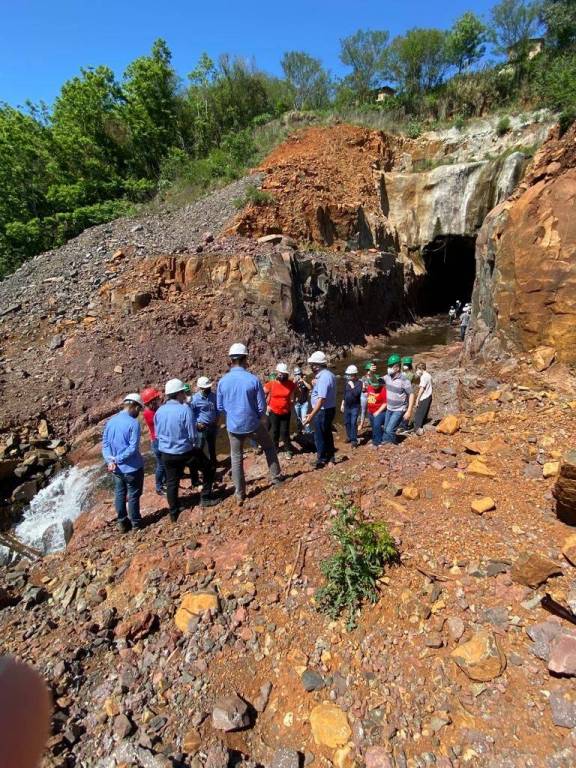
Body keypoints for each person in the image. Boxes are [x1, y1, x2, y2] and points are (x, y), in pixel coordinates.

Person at [217, 343, 282, 506]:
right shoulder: (253, 379)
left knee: (236, 458)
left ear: (231, 360)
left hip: (233, 426)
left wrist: (232, 414)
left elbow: (220, 407)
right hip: (253, 424)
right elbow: (261, 407)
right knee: (269, 447)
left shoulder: (222, 382)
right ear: (245, 359)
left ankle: (240, 494)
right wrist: (261, 419)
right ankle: (276, 478)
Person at [155, 378, 218, 522]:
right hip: (184, 451)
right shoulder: (184, 409)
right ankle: (206, 497)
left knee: (172, 482)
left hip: (166, 453)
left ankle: (174, 512)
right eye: (183, 392)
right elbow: (192, 435)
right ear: (178, 394)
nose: (185, 394)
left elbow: (158, 434)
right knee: (209, 468)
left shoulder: (160, 411)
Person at [102, 393, 145, 533]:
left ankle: (122, 522)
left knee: (120, 494)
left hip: (116, 469)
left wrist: (110, 460)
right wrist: (118, 459)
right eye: (139, 409)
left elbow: (105, 444)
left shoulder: (111, 422)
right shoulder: (134, 423)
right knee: (133, 495)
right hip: (132, 468)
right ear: (134, 406)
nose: (139, 412)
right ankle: (136, 523)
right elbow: (133, 448)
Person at [303, 350, 337, 469]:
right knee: (326, 433)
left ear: (317, 366)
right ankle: (329, 458)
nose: (310, 367)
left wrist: (311, 415)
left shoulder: (323, 378)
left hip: (323, 410)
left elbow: (321, 399)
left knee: (320, 436)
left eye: (312, 365)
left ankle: (322, 459)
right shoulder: (328, 375)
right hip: (327, 409)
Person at [382, 354, 415, 444]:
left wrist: (409, 411)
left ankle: (392, 445)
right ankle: (385, 443)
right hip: (389, 408)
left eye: (390, 366)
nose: (388, 368)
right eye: (388, 366)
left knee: (390, 430)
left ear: (397, 368)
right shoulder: (387, 377)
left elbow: (411, 394)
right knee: (385, 428)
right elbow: (377, 381)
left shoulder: (404, 380)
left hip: (399, 409)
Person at [265, 363, 296, 455]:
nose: (281, 375)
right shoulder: (271, 384)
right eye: (280, 373)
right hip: (273, 411)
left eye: (283, 374)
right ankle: (275, 448)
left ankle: (288, 449)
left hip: (286, 411)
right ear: (277, 373)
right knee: (274, 431)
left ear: (286, 374)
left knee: (285, 431)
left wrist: (292, 403)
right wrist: (266, 405)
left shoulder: (290, 384)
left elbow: (294, 395)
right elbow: (261, 393)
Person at [141, 387, 166, 495]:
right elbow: (160, 420)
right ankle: (159, 487)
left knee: (164, 463)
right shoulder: (149, 413)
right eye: (156, 398)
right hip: (157, 441)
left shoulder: (152, 410)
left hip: (158, 440)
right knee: (161, 465)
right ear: (152, 401)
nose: (158, 399)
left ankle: (164, 481)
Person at [190, 376, 218, 469]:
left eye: (209, 387)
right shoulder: (195, 399)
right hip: (201, 428)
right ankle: (200, 467)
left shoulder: (213, 396)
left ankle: (213, 463)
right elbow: (190, 414)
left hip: (212, 426)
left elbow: (217, 409)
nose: (209, 389)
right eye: (206, 388)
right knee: (199, 448)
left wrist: (217, 419)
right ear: (201, 388)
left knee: (212, 447)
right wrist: (196, 424)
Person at [341, 364, 362, 448]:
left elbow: (356, 394)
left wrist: (352, 386)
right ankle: (349, 436)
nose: (348, 376)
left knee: (353, 423)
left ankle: (354, 440)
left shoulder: (359, 383)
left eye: (350, 375)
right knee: (347, 422)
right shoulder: (347, 382)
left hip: (355, 406)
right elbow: (345, 393)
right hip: (347, 406)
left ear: (354, 374)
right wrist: (342, 403)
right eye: (348, 375)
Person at [366, 376, 387, 447]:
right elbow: (368, 397)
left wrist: (378, 411)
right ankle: (374, 440)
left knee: (377, 425)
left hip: (380, 411)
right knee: (373, 426)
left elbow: (385, 403)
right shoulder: (369, 387)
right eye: (374, 385)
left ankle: (378, 442)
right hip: (370, 411)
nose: (375, 387)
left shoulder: (383, 389)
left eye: (376, 385)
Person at [414, 361, 433, 436]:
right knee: (424, 413)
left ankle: (418, 430)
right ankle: (422, 427)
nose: (417, 372)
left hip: (424, 397)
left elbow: (422, 388)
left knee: (418, 414)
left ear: (421, 369)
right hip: (429, 396)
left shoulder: (424, 377)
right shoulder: (429, 375)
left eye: (417, 370)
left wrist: (417, 399)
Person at [293, 367, 311, 433]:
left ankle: (308, 432)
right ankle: (299, 432)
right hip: (297, 404)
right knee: (298, 419)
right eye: (296, 374)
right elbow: (290, 391)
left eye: (299, 374)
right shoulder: (294, 382)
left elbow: (310, 387)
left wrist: (303, 381)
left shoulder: (304, 380)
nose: (298, 376)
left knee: (304, 419)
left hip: (304, 403)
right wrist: (294, 382)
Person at [359, 361, 376, 432]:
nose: (368, 372)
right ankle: (361, 424)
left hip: (371, 396)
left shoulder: (374, 377)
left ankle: (373, 423)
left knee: (371, 410)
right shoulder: (363, 378)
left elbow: (375, 387)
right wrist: (366, 387)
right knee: (363, 411)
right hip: (364, 396)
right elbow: (363, 389)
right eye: (368, 370)